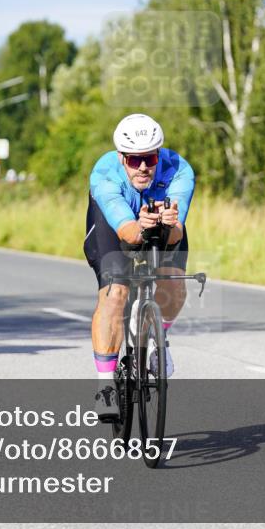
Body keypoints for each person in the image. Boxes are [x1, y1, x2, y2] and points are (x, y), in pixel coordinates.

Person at [84, 114, 195, 421]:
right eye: (135, 160)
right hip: (115, 226)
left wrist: (169, 226)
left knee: (174, 281)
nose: (143, 166)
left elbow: (177, 232)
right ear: (122, 158)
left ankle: (159, 341)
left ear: (159, 155)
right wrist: (140, 228)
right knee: (116, 291)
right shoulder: (104, 174)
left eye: (150, 158)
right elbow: (127, 234)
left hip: (163, 224)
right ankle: (105, 384)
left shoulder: (179, 170)